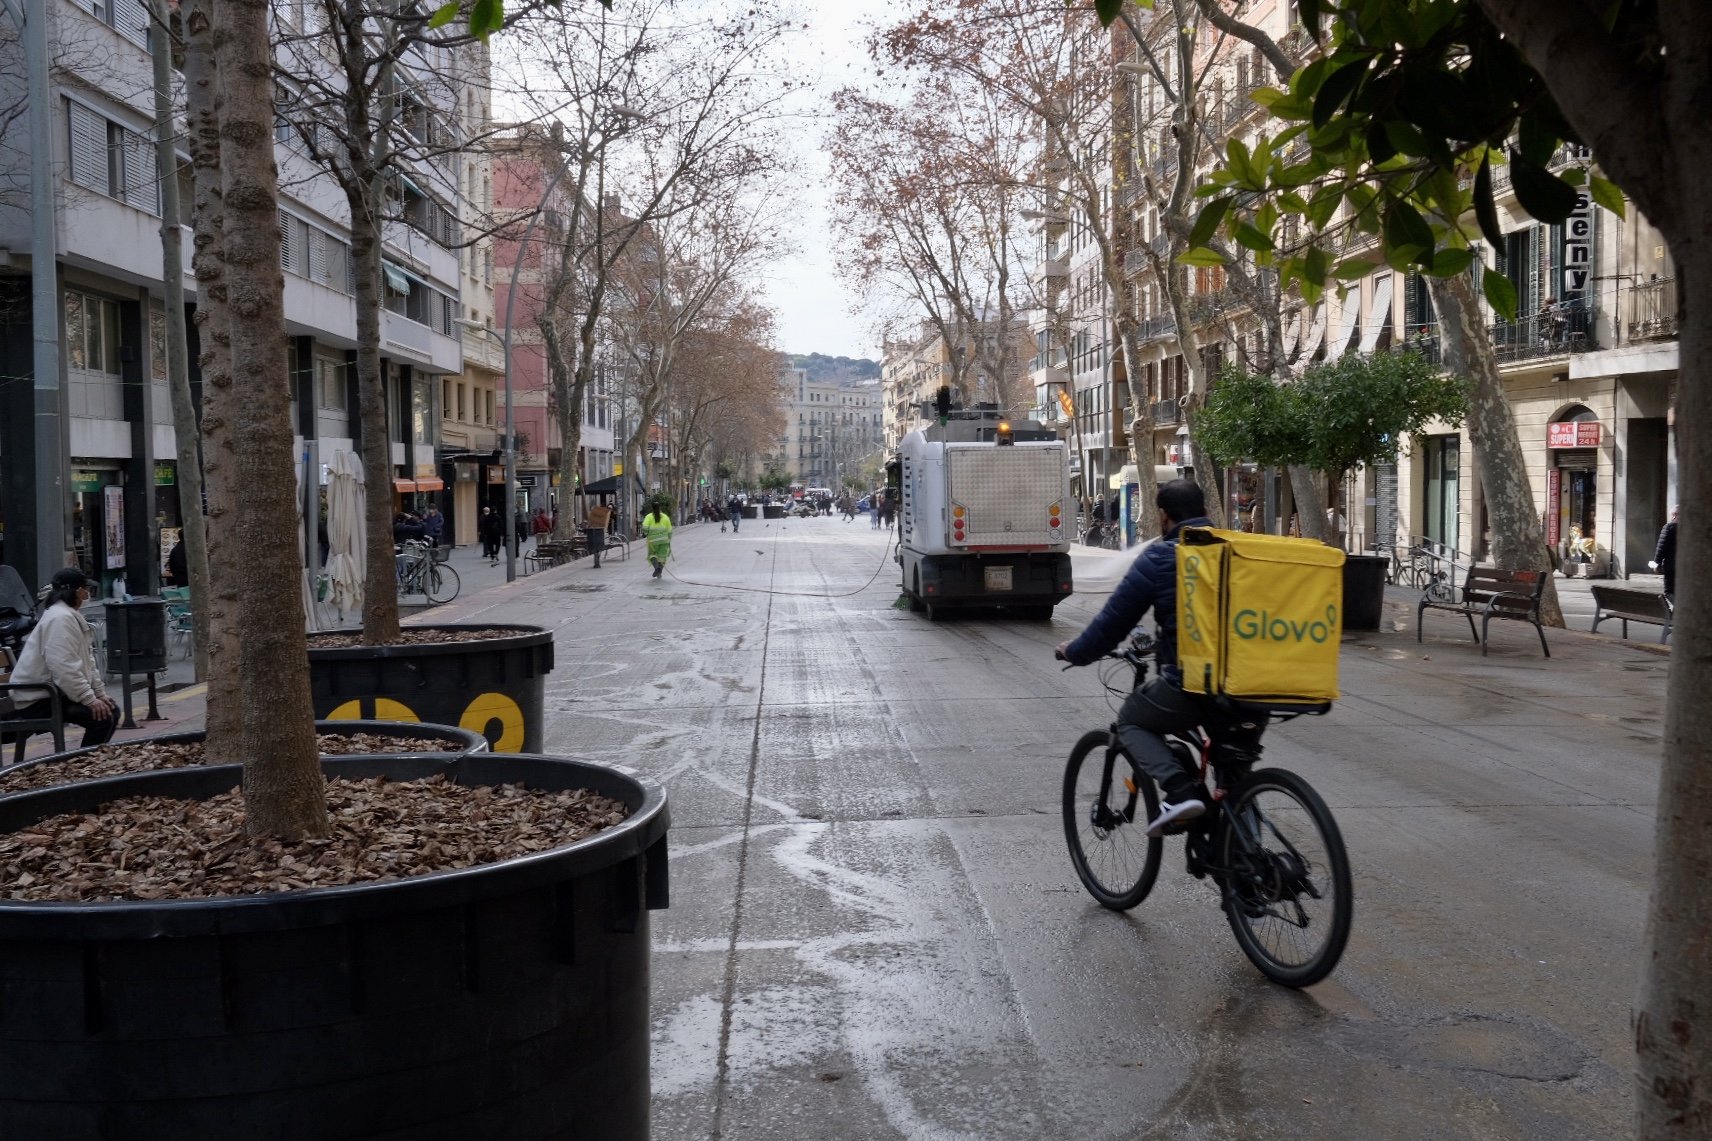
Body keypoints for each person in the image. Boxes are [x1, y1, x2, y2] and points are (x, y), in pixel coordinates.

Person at [1054, 479, 1265, 836]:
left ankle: (1180, 791)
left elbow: (1112, 623)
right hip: (1258, 684)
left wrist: (1075, 650)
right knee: (1234, 779)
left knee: (1132, 722)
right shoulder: (1239, 550)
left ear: (1163, 517)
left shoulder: (1161, 556)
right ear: (1207, 512)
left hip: (1200, 684)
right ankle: (1248, 876)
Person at [3, 567, 117, 750]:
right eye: (84, 589)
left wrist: (99, 693)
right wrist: (89, 698)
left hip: (55, 692)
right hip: (38, 698)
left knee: (109, 710)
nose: (87, 594)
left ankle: (90, 765)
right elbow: (64, 667)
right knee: (102, 717)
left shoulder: (69, 616)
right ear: (74, 591)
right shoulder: (60, 619)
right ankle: (83, 769)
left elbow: (87, 662)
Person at [641, 502, 673, 579]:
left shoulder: (649, 517)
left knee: (652, 555)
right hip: (664, 540)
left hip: (653, 541)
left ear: (652, 508)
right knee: (662, 557)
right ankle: (659, 572)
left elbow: (645, 527)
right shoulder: (665, 517)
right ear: (660, 508)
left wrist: (645, 533)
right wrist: (669, 539)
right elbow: (670, 530)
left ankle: (656, 568)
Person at [1651, 506, 1678, 597]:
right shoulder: (1691, 529)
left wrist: (1656, 564)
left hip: (1671, 566)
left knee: (1670, 591)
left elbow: (1661, 548)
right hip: (1687, 567)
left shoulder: (1669, 527)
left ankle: (1673, 610)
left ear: (1674, 515)